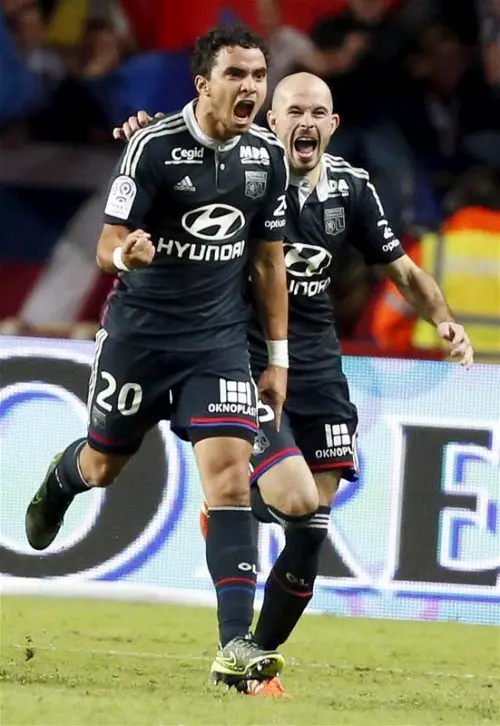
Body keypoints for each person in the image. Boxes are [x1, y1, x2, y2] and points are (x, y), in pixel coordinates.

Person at [114, 71, 474, 698]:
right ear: (271, 121)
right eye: (294, 111)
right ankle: (233, 515)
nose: (306, 122)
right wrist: (149, 132)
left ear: (333, 125)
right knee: (298, 499)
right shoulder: (244, 171)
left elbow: (404, 272)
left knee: (310, 532)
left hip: (321, 369)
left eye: (317, 113)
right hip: (247, 360)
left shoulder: (352, 189)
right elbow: (186, 153)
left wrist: (444, 320)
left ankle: (252, 661)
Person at [24, 24, 291, 688]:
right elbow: (106, 241)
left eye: (259, 76)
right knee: (103, 466)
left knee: (230, 480)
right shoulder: (152, 146)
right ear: (203, 84)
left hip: (217, 342)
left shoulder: (267, 157)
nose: (251, 87)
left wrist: (278, 357)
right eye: (236, 75)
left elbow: (268, 261)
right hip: (140, 339)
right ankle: (63, 480)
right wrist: (125, 253)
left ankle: (236, 647)